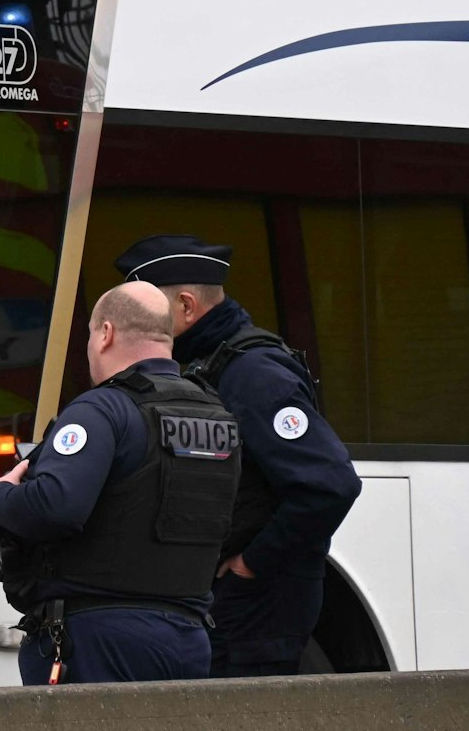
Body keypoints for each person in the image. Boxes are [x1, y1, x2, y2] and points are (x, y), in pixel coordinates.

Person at [115, 234, 362, 676]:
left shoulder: (253, 372)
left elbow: (330, 486)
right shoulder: (205, 363)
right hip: (228, 600)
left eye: (147, 311)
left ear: (186, 306)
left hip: (256, 608)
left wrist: (251, 564)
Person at [0, 281, 240, 685]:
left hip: (97, 642)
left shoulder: (101, 409)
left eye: (89, 333)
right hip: (189, 638)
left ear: (106, 334)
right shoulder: (216, 414)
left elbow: (56, 506)